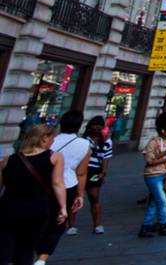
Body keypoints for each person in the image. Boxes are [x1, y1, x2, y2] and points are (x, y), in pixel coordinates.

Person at [0, 124, 67, 264]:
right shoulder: (54, 157)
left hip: (7, 209)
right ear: (44, 138)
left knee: (3, 248)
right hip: (35, 210)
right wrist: (63, 207)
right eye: (52, 138)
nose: (53, 142)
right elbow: (58, 183)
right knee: (25, 250)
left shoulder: (8, 159)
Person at [37, 110, 88, 260]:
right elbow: (81, 173)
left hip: (42, 186)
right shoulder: (84, 145)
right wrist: (80, 194)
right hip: (68, 186)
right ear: (79, 126)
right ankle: (41, 258)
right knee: (57, 224)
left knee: (37, 220)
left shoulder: (50, 141)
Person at [139, 111, 166, 238]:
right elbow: (150, 161)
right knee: (162, 202)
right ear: (163, 130)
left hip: (165, 174)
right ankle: (163, 225)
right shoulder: (153, 142)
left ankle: (146, 226)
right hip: (153, 175)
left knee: (154, 202)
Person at [83, 116, 111, 234]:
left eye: (100, 125)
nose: (97, 127)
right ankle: (71, 225)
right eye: (95, 125)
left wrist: (103, 172)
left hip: (95, 172)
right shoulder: (83, 140)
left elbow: (106, 157)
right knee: (74, 198)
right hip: (81, 171)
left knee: (94, 197)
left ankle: (97, 224)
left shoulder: (106, 141)